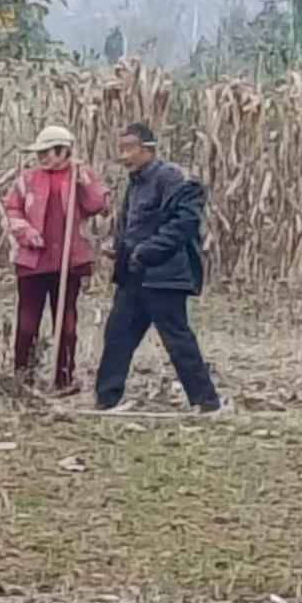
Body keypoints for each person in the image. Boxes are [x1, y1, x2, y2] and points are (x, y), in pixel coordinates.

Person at [94, 121, 224, 414]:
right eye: (121, 149)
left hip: (165, 276)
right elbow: (132, 226)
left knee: (177, 340)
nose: (124, 156)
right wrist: (118, 248)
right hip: (134, 276)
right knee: (118, 336)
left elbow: (184, 224)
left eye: (130, 148)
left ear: (148, 149)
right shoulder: (135, 183)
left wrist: (148, 251)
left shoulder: (174, 179)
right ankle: (106, 400)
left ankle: (206, 402)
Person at [2, 124, 109, 394]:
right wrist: (26, 232)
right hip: (33, 263)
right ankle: (23, 376)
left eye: (47, 152)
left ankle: (64, 378)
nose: (41, 157)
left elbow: (97, 205)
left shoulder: (79, 177)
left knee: (67, 323)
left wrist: (84, 179)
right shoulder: (27, 179)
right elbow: (12, 209)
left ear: (63, 151)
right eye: (39, 153)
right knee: (27, 322)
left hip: (68, 263)